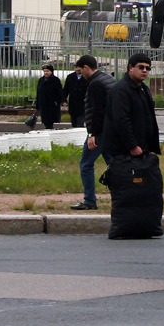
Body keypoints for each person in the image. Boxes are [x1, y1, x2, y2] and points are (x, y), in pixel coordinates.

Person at [70, 54, 115, 211]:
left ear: (86, 68)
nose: (81, 74)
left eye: (80, 71)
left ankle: (90, 200)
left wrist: (92, 134)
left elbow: (96, 111)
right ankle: (123, 196)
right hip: (112, 129)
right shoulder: (108, 79)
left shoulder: (95, 84)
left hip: (100, 131)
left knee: (86, 165)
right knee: (114, 164)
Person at [101, 53, 161, 160]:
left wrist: (150, 144)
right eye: (141, 67)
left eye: (148, 68)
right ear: (130, 68)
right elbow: (121, 120)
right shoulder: (121, 89)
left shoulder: (143, 88)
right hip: (124, 150)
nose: (144, 70)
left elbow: (147, 117)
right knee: (126, 176)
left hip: (142, 146)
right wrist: (132, 146)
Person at [35, 65, 63, 130]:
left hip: (52, 104)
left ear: (51, 72)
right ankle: (48, 129)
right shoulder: (41, 80)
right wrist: (37, 105)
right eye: (44, 71)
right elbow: (38, 93)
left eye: (47, 71)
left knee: (51, 120)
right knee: (45, 120)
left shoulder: (55, 80)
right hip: (43, 104)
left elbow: (59, 92)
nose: (46, 73)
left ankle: (50, 130)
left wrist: (57, 101)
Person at [62, 63, 88, 128]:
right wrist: (64, 100)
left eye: (78, 67)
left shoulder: (86, 77)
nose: (77, 69)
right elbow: (65, 90)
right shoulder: (70, 77)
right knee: (74, 123)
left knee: (80, 123)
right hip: (73, 104)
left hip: (82, 104)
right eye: (75, 67)